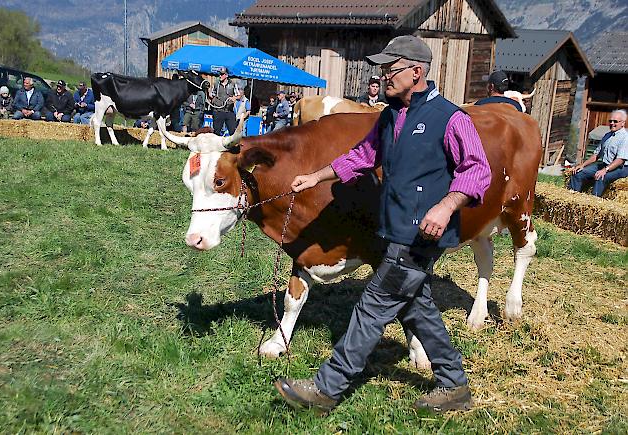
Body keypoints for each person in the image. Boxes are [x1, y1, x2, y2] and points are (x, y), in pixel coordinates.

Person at [275, 35, 491, 414]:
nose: (384, 76)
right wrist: (317, 176)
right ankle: (455, 386)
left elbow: (477, 170)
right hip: (394, 229)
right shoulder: (391, 116)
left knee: (371, 308)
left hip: (422, 234)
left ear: (416, 72)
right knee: (415, 307)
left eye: (391, 70)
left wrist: (445, 206)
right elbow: (363, 154)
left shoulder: (450, 118)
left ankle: (326, 389)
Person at [568, 109, 628, 196]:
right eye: (610, 121)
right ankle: (571, 198)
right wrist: (582, 165)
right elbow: (596, 154)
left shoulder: (625, 138)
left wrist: (605, 170)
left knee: (601, 177)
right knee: (578, 173)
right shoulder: (607, 136)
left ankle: (593, 203)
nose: (612, 123)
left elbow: (620, 160)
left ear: (623, 123)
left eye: (615, 121)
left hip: (621, 168)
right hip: (605, 164)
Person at [209, 66, 238, 135]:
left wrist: (234, 98)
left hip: (229, 111)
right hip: (218, 111)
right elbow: (212, 95)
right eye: (219, 74)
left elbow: (239, 95)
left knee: (232, 132)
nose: (220, 76)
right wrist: (210, 95)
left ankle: (233, 146)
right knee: (216, 132)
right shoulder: (216, 84)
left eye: (222, 74)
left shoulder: (233, 84)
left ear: (226, 75)